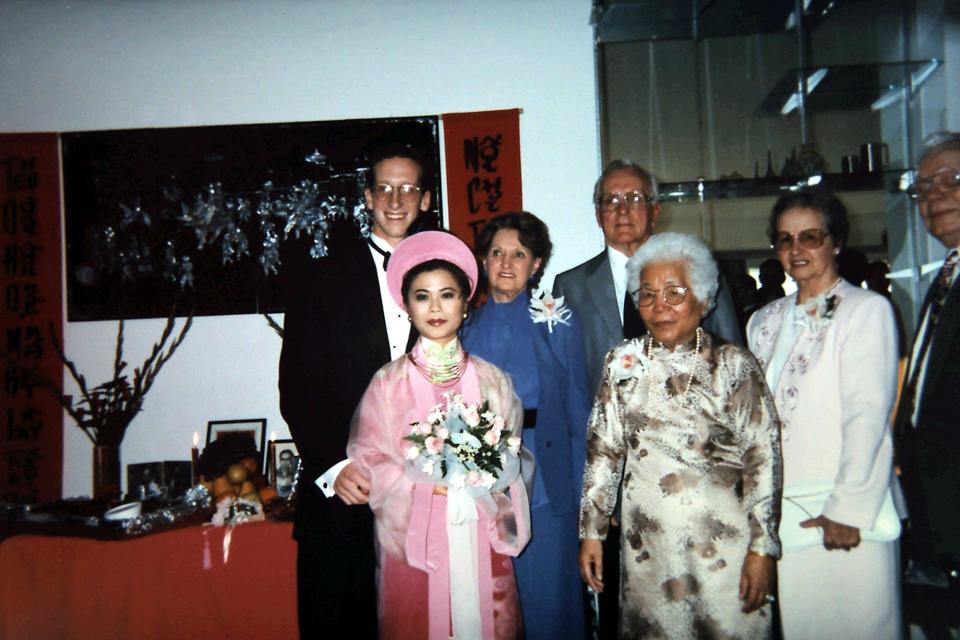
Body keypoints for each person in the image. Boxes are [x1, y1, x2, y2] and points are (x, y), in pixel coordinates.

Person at [553, 159, 743, 636]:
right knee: (629, 609)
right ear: (597, 214)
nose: (622, 209)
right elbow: (572, 396)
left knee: (703, 606)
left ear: (655, 211)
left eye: (634, 198)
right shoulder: (569, 288)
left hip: (698, 479)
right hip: (617, 481)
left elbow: (733, 365)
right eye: (610, 200)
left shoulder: (698, 274)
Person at [579, 232, 782, 638]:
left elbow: (763, 458)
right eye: (648, 294)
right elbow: (603, 453)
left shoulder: (733, 365)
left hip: (724, 549)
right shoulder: (622, 363)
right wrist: (591, 532)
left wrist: (763, 548)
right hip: (647, 551)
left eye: (675, 292)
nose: (660, 306)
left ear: (704, 300)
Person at [278, 145, 432, 638]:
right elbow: (297, 385)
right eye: (384, 188)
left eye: (407, 188)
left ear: (425, 200)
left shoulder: (443, 280)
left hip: (418, 498)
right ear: (366, 197)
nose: (395, 199)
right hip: (343, 498)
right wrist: (333, 465)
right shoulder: (322, 277)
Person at [347, 231, 531, 639]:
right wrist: (428, 488)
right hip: (415, 534)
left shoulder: (492, 380)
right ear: (407, 306)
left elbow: (511, 454)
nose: (435, 307)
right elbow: (371, 458)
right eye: (422, 296)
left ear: (465, 304)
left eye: (447, 295)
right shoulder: (388, 382)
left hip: (478, 529)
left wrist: (483, 480)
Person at [747, 190, 901, 639]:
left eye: (810, 237)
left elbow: (869, 415)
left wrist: (848, 508)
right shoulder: (764, 320)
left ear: (835, 242)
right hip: (784, 514)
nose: (796, 250)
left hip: (844, 511)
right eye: (784, 239)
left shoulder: (865, 310)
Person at [461, 212, 590, 639]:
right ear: (483, 260)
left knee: (550, 600)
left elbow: (577, 408)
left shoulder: (557, 320)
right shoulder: (465, 326)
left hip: (549, 481)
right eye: (496, 252)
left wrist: (582, 496)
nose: (506, 263)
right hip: (483, 480)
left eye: (519, 254)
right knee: (493, 601)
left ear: (536, 264)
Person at [896, 131, 960, 598]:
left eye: (951, 180)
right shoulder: (941, 286)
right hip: (938, 518)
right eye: (924, 189)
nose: (935, 197)